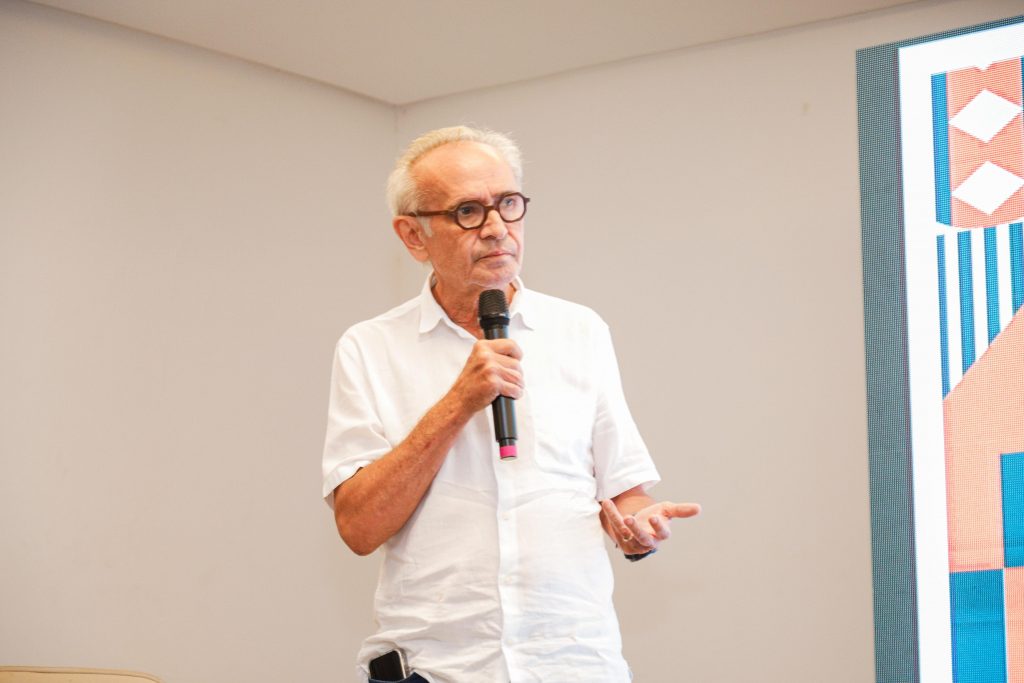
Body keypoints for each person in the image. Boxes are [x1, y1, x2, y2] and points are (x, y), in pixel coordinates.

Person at [322, 126, 700, 683]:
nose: (498, 228)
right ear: (413, 235)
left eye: (509, 204)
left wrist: (639, 523)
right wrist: (457, 403)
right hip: (437, 667)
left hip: (573, 662)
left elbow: (625, 489)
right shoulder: (370, 347)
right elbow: (359, 527)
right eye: (468, 211)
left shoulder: (580, 330)